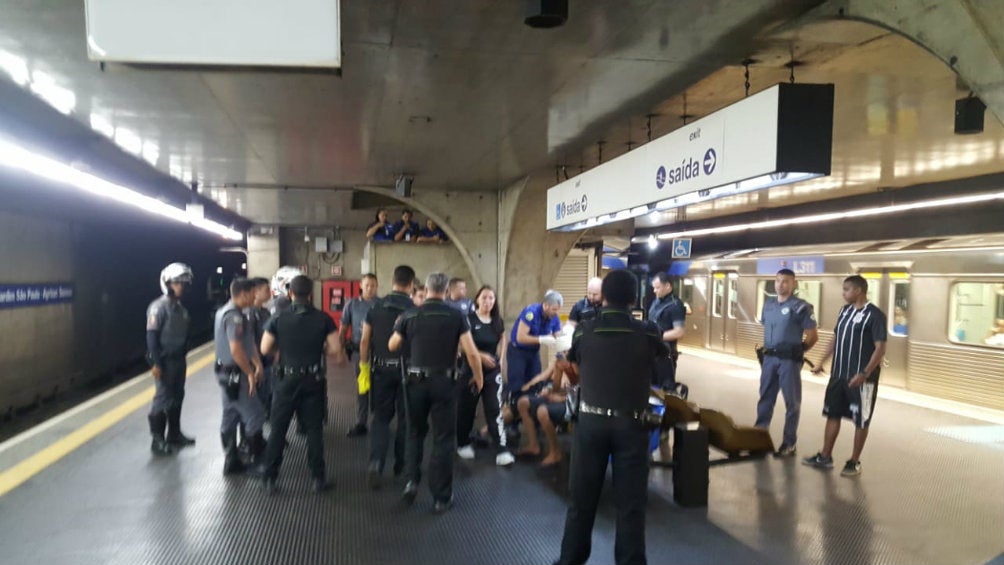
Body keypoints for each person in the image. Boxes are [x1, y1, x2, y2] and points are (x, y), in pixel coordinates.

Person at [555, 270, 667, 565]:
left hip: (590, 423)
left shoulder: (585, 330)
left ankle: (571, 560)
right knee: (630, 505)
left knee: (581, 500)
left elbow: (574, 361)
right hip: (632, 425)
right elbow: (661, 357)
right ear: (633, 298)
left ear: (602, 296)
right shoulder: (649, 331)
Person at [389, 272, 484, 514]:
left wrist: (405, 331)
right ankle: (441, 497)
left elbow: (392, 345)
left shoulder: (409, 315)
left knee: (414, 433)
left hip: (415, 382)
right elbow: (471, 352)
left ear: (427, 289)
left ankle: (411, 482)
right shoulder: (457, 316)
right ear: (445, 290)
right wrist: (479, 377)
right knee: (443, 438)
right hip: (444, 383)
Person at [258, 275, 345, 493]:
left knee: (278, 429)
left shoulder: (278, 318)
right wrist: (319, 348)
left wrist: (281, 351)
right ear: (311, 294)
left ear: (290, 294)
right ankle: (318, 479)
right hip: (312, 381)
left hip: (286, 380)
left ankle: (270, 478)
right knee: (314, 430)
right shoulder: (323, 318)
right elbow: (335, 349)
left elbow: (264, 348)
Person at [803, 275, 887, 477]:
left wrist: (865, 373)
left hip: (862, 380)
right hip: (839, 375)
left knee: (861, 420)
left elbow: (880, 347)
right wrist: (822, 361)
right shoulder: (844, 311)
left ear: (858, 291)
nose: (843, 293)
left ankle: (854, 461)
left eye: (846, 289)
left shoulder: (875, 315)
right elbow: (836, 337)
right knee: (832, 414)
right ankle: (825, 456)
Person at [360, 265, 417, 488]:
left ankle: (376, 462)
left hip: (381, 370)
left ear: (392, 281)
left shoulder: (375, 308)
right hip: (408, 372)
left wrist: (364, 367)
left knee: (381, 419)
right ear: (411, 285)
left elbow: (365, 341)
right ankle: (400, 465)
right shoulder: (414, 310)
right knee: (405, 420)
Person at [754, 268, 818, 457]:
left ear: (793, 284)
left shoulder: (801, 307)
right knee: (765, 398)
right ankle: (758, 438)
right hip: (769, 360)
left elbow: (813, 336)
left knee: (792, 402)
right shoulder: (768, 305)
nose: (780, 285)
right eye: (778, 281)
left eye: (785, 281)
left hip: (789, 361)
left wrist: (799, 351)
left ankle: (789, 443)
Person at [455, 285, 515, 466]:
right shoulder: (468, 320)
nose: (488, 302)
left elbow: (503, 337)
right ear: (477, 300)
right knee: (467, 409)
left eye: (491, 298)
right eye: (484, 298)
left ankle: (502, 449)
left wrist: (501, 358)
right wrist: (480, 355)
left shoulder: (497, 321)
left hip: (491, 374)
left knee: (494, 410)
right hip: (470, 372)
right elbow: (459, 345)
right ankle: (463, 443)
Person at [213, 278, 267, 475]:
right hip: (235, 374)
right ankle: (255, 462)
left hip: (226, 374)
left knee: (230, 414)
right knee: (255, 414)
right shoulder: (233, 317)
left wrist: (257, 362)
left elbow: (248, 342)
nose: (255, 296)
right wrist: (250, 373)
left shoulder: (230, 313)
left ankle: (231, 461)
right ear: (243, 294)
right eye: (253, 293)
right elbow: (236, 349)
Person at [146, 262, 195, 455]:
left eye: (183, 283)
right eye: (177, 283)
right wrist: (156, 363)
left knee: (177, 396)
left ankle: (174, 434)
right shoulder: (158, 308)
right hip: (164, 361)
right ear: (167, 283)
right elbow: (151, 336)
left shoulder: (181, 310)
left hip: (178, 361)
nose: (180, 287)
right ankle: (157, 440)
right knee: (162, 398)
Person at [515, 335, 576, 467]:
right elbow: (555, 387)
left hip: (574, 402)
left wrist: (560, 397)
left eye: (564, 353)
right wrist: (558, 372)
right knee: (523, 402)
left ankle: (555, 452)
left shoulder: (579, 367)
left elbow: (583, 394)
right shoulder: (561, 363)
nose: (561, 356)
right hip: (564, 397)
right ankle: (533, 445)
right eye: (560, 353)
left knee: (542, 411)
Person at [506, 290, 563, 413]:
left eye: (557, 309)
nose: (556, 313)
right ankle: (512, 420)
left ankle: (531, 417)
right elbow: (520, 337)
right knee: (517, 386)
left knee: (535, 384)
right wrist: (542, 339)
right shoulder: (531, 312)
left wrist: (562, 341)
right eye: (554, 309)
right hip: (518, 352)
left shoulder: (554, 317)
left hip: (533, 353)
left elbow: (558, 335)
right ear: (546, 305)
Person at [341, 273, 379, 437]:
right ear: (361, 286)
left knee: (379, 388)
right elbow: (343, 328)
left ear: (377, 286)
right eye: (367, 285)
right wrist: (341, 350)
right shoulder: (352, 305)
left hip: (379, 352)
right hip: (358, 352)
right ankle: (361, 422)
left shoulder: (382, 305)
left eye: (373, 285)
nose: (370, 288)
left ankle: (379, 421)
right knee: (363, 387)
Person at [648, 272, 685, 391]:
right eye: (653, 287)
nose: (654, 291)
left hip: (666, 356)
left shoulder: (676, 305)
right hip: (651, 354)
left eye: (657, 287)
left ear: (668, 286)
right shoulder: (656, 302)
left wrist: (656, 336)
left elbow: (679, 332)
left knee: (664, 391)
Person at [248, 277, 274, 416]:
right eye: (266, 290)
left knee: (266, 395)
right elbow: (249, 341)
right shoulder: (250, 313)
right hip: (256, 364)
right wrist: (256, 365)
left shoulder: (265, 312)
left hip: (267, 362)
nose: (269, 292)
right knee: (256, 400)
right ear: (256, 292)